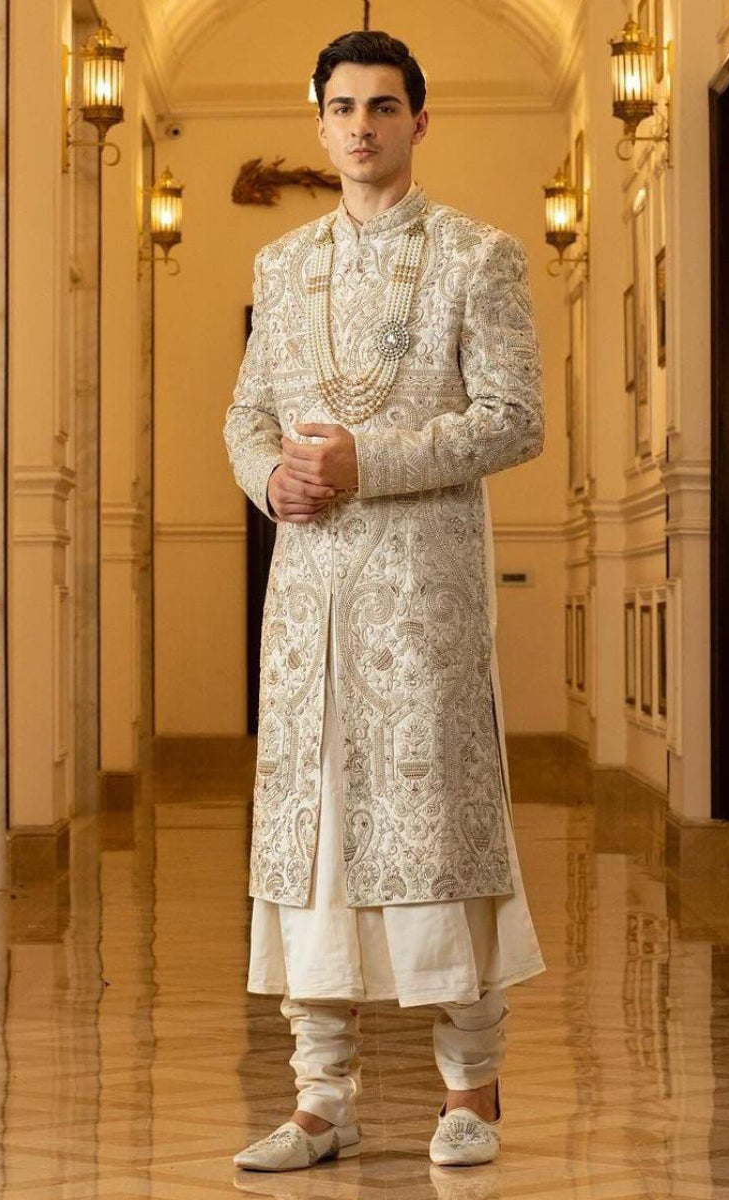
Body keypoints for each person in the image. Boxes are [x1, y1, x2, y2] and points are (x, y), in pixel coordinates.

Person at [222, 28, 546, 1172]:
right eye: (342, 107)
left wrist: (372, 463)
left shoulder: (477, 255)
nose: (360, 126)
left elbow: (513, 419)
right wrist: (266, 479)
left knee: (436, 827)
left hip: (421, 601)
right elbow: (247, 413)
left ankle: (470, 1090)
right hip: (307, 600)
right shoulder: (279, 267)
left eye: (382, 106)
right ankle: (321, 1101)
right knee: (308, 838)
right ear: (317, 122)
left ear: (418, 120)